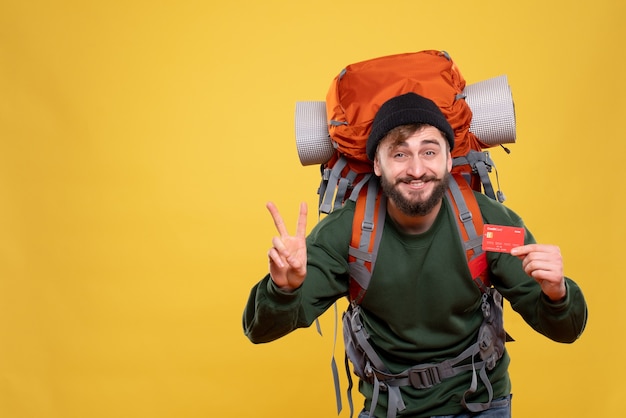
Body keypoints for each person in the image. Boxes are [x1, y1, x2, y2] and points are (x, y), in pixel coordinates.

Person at [242, 92, 588, 417]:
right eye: (399, 153)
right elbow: (259, 330)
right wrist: (282, 290)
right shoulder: (346, 231)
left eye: (429, 151)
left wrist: (558, 294)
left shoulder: (487, 222)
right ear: (377, 164)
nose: (417, 169)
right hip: (389, 407)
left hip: (480, 402)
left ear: (449, 158)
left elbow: (567, 330)